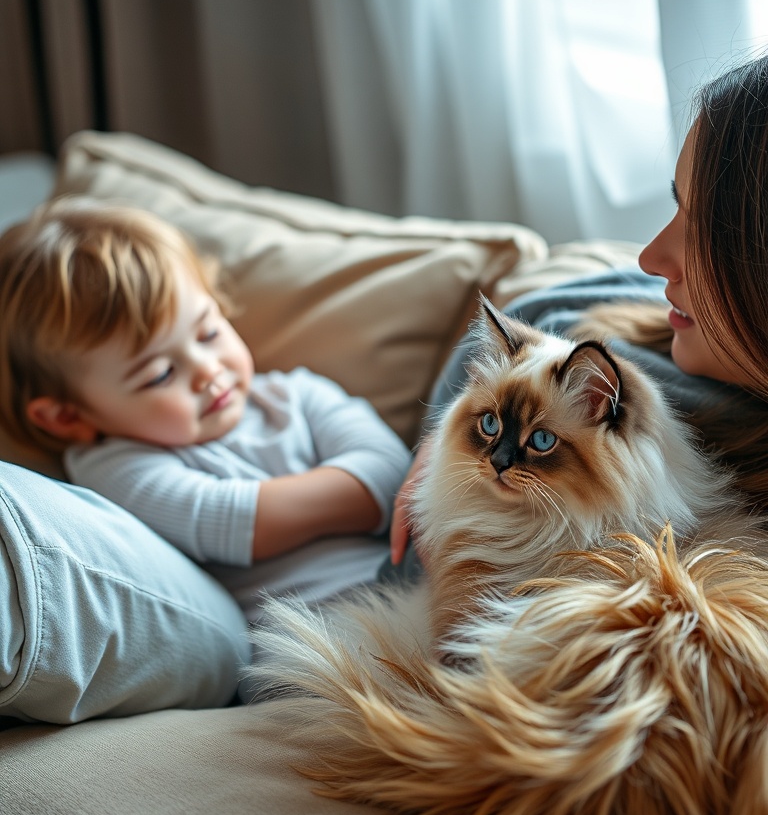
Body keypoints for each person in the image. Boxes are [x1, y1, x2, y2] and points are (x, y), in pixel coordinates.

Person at [390, 52, 768, 565]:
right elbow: (542, 311)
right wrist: (445, 442)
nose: (651, 257)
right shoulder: (643, 314)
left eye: (708, 230)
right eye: (677, 204)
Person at [0, 197, 411, 622]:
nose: (207, 370)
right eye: (160, 374)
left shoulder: (300, 394)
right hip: (314, 644)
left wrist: (373, 489)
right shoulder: (114, 466)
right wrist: (357, 488)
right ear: (70, 417)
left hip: (420, 588)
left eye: (209, 332)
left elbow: (393, 474)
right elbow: (235, 521)